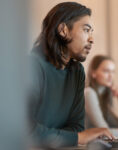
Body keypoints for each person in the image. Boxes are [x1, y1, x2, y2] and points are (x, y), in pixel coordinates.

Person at [28, 2, 115, 148]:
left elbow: (76, 128)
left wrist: (72, 136)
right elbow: (25, 130)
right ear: (63, 30)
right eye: (86, 30)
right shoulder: (32, 66)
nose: (91, 39)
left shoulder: (77, 72)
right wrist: (77, 137)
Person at [85, 55, 118, 130]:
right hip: (89, 141)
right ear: (93, 73)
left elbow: (115, 124)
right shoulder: (89, 93)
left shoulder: (104, 95)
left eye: (113, 71)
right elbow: (104, 130)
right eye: (106, 71)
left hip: (102, 140)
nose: (111, 76)